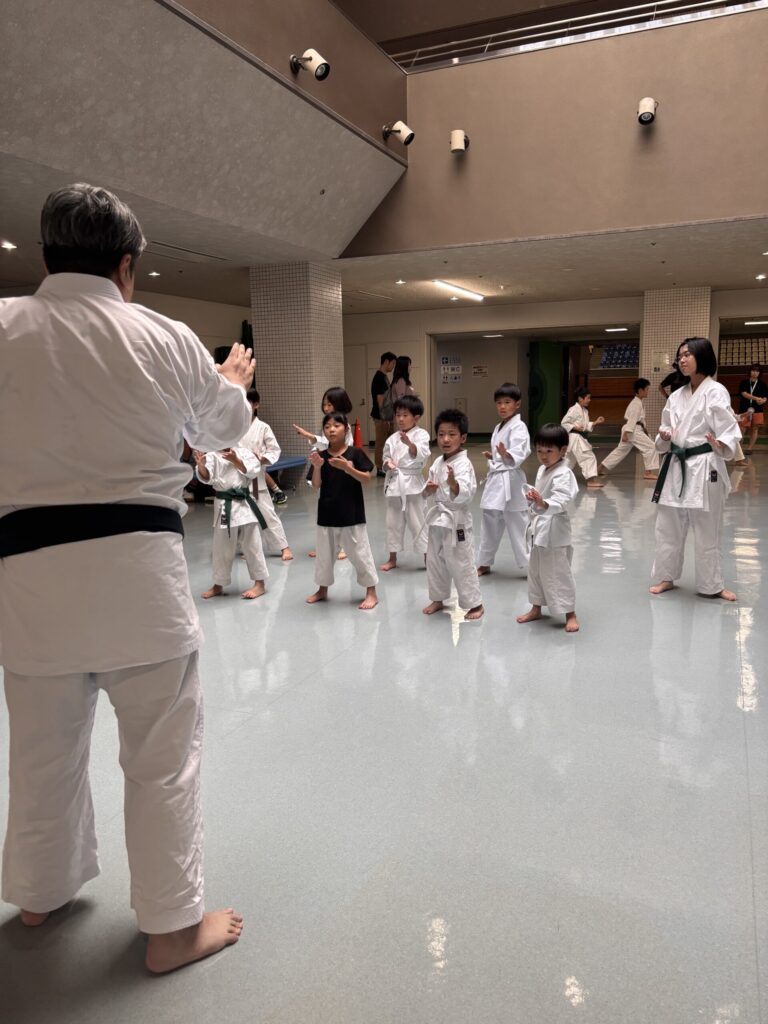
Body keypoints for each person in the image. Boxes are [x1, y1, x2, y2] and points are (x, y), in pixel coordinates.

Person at [0, 183, 250, 973]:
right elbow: (228, 426)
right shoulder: (164, 336)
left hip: (29, 580)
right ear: (127, 264)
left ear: (46, 257)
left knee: (41, 753)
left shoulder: (4, 325)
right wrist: (230, 379)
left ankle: (39, 893)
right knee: (162, 758)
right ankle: (171, 930)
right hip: (140, 580)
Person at [649, 337, 742, 601]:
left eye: (688, 354)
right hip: (675, 466)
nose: (682, 359)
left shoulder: (716, 391)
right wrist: (664, 436)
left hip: (704, 465)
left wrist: (720, 443)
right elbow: (665, 429)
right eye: (680, 356)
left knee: (707, 528)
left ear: (703, 356)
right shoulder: (676, 396)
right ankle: (666, 577)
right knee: (668, 526)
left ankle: (712, 585)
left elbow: (729, 430)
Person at [305, 412, 379, 609]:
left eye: (336, 425)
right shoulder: (320, 456)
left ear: (346, 429)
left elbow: (366, 479)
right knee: (324, 556)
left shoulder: (355, 453)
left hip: (352, 514)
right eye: (327, 426)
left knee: (360, 554)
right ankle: (322, 589)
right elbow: (316, 485)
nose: (331, 429)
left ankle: (371, 591)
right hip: (327, 514)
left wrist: (348, 468)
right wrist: (317, 467)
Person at [516, 423, 580, 632]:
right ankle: (536, 608)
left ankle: (570, 613)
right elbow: (541, 496)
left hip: (555, 531)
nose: (543, 456)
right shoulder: (544, 469)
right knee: (535, 571)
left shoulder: (564, 473)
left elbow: (562, 500)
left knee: (559, 573)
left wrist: (543, 503)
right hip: (539, 529)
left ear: (563, 450)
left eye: (549, 451)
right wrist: (534, 498)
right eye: (539, 451)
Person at [422, 409, 484, 621]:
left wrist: (453, 484)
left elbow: (466, 493)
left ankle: (475, 603)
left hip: (457, 521)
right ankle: (438, 598)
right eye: (441, 434)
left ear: (463, 437)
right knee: (435, 560)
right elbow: (429, 487)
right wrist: (428, 489)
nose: (445, 439)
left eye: (451, 434)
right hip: (438, 519)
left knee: (461, 562)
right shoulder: (438, 462)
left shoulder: (464, 464)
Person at [194, 447, 269, 600]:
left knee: (253, 545)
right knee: (221, 547)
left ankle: (259, 583)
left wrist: (235, 460)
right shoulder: (212, 455)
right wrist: (201, 466)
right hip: (224, 503)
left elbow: (253, 472)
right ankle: (218, 584)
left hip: (245, 503)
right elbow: (207, 477)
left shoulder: (244, 452)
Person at [476, 382, 531, 576]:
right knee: (489, 520)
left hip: (511, 481)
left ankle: (530, 566)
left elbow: (520, 452)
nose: (502, 406)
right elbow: (502, 454)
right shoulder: (498, 427)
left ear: (517, 404)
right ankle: (484, 562)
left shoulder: (519, 426)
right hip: (496, 479)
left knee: (518, 523)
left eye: (507, 402)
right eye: (499, 403)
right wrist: (495, 456)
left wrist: (506, 455)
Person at [294, 387, 354, 559]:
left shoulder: (345, 426)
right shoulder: (328, 423)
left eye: (329, 404)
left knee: (341, 509)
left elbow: (335, 446)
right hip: (327, 469)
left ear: (339, 404)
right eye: (324, 404)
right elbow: (324, 445)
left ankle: (344, 547)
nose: (326, 408)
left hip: (340, 471)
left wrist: (310, 437)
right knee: (326, 510)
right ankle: (326, 546)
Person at [380, 394, 430, 571]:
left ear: (416, 417)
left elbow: (422, 455)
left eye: (405, 415)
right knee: (392, 522)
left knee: (418, 522)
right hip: (395, 483)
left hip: (413, 483)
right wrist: (387, 464)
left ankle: (428, 557)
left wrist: (410, 444)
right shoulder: (392, 438)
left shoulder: (421, 434)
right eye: (398, 415)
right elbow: (385, 458)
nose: (400, 419)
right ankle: (392, 558)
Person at [241, 389, 293, 560]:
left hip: (257, 480)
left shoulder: (263, 427)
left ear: (256, 405)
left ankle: (284, 547)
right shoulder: (234, 428)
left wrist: (262, 459)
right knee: (244, 517)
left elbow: (274, 450)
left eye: (248, 403)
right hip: (238, 480)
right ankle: (249, 548)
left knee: (268, 514)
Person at [598, 378, 659, 479]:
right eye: (647, 389)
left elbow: (636, 421)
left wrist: (642, 431)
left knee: (620, 451)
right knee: (651, 447)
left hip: (632, 429)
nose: (648, 391)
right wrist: (626, 433)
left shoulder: (638, 402)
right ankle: (648, 473)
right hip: (633, 430)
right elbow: (632, 419)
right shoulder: (636, 404)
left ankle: (599, 468)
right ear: (640, 390)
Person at [561, 387, 605, 487]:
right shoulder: (573, 409)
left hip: (578, 438)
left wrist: (595, 422)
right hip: (575, 438)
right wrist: (575, 427)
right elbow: (564, 423)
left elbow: (585, 426)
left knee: (568, 461)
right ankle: (591, 481)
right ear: (580, 398)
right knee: (588, 457)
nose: (589, 400)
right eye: (588, 398)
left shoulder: (585, 411)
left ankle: (558, 478)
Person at [370, 351, 397, 476]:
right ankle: (379, 467)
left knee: (388, 442)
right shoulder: (379, 378)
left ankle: (387, 465)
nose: (393, 366)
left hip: (387, 416)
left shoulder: (384, 376)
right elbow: (380, 400)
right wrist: (384, 419)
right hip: (381, 417)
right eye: (393, 363)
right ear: (386, 362)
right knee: (380, 443)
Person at [737, 364, 768, 453]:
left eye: (757, 371)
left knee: (755, 429)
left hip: (758, 410)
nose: (755, 373)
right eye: (753, 370)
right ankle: (739, 449)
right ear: (750, 372)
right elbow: (744, 394)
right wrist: (757, 398)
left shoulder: (762, 384)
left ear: (759, 373)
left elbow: (765, 397)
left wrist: (763, 401)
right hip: (744, 409)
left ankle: (749, 448)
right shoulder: (744, 382)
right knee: (742, 428)